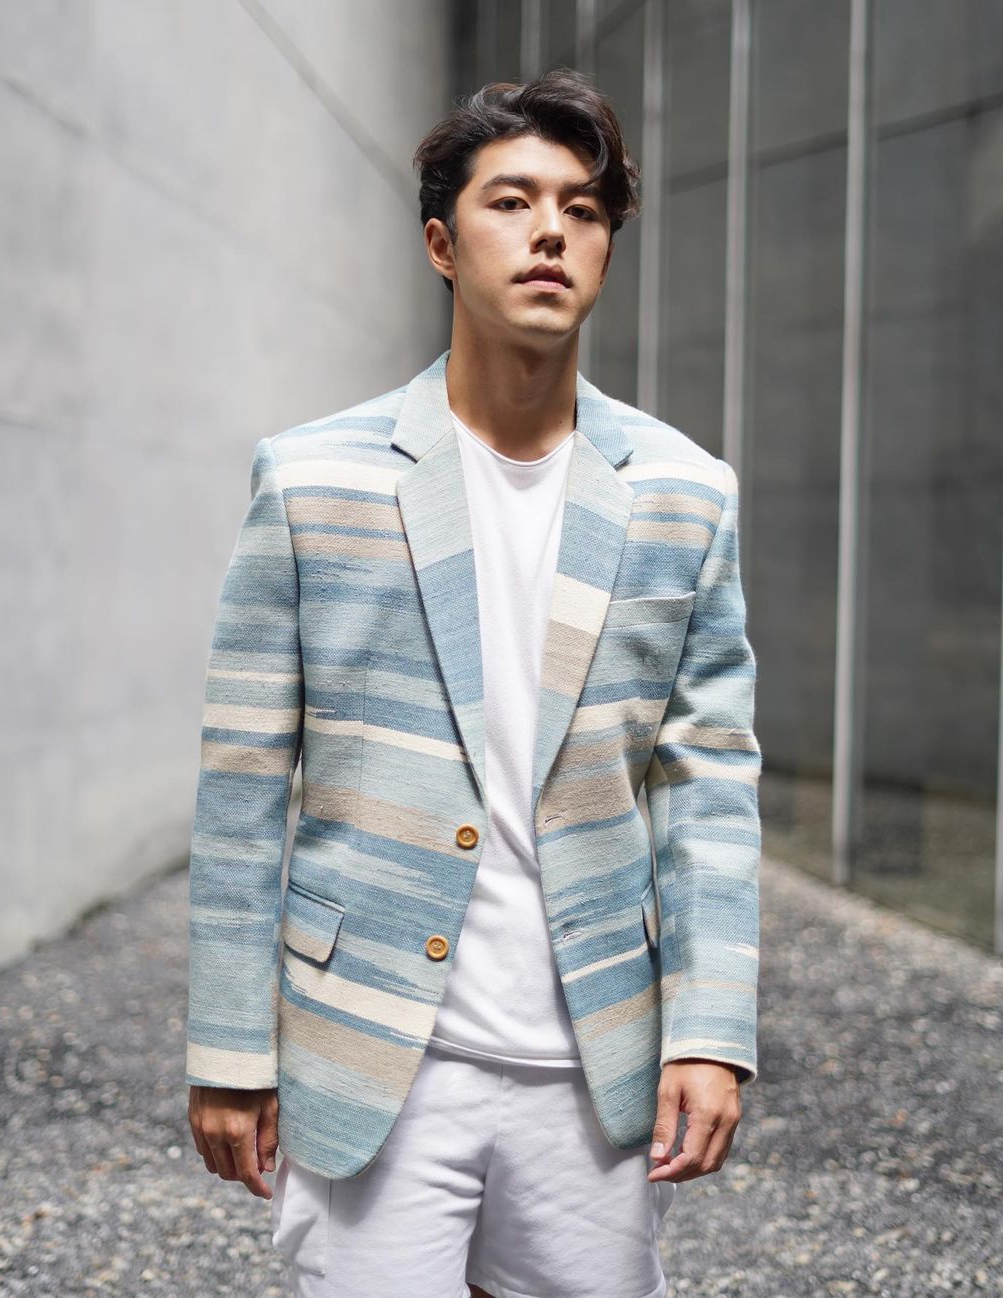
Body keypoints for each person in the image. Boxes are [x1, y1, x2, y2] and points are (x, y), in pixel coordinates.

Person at [185, 67, 762, 1298]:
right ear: (443, 245)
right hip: (378, 1047)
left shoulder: (686, 493)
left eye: (584, 209)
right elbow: (243, 782)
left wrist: (712, 1030)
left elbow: (707, 782)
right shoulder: (312, 481)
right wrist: (231, 1043)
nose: (552, 230)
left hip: (591, 1060)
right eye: (514, 201)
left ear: (606, 248)